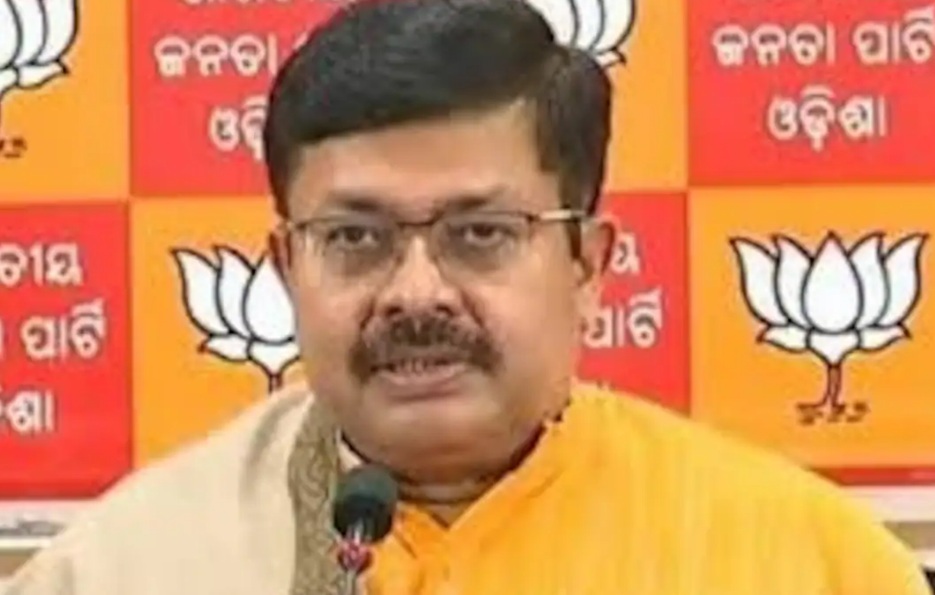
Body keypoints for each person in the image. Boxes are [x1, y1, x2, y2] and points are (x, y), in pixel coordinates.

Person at [4, 0, 930, 593]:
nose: (416, 292)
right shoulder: (132, 566)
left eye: (479, 233)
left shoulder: (798, 559)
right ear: (286, 267)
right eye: (354, 238)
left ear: (587, 262)